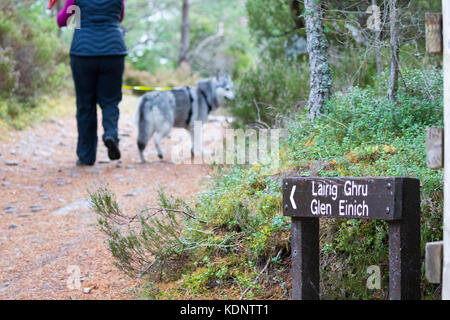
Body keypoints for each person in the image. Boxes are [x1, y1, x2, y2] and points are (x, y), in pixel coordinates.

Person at [57, 0, 127, 166]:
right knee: (110, 101)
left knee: (85, 104)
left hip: (83, 51)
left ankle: (86, 156)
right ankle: (111, 134)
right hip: (113, 50)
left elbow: (62, 21)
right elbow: (120, 17)